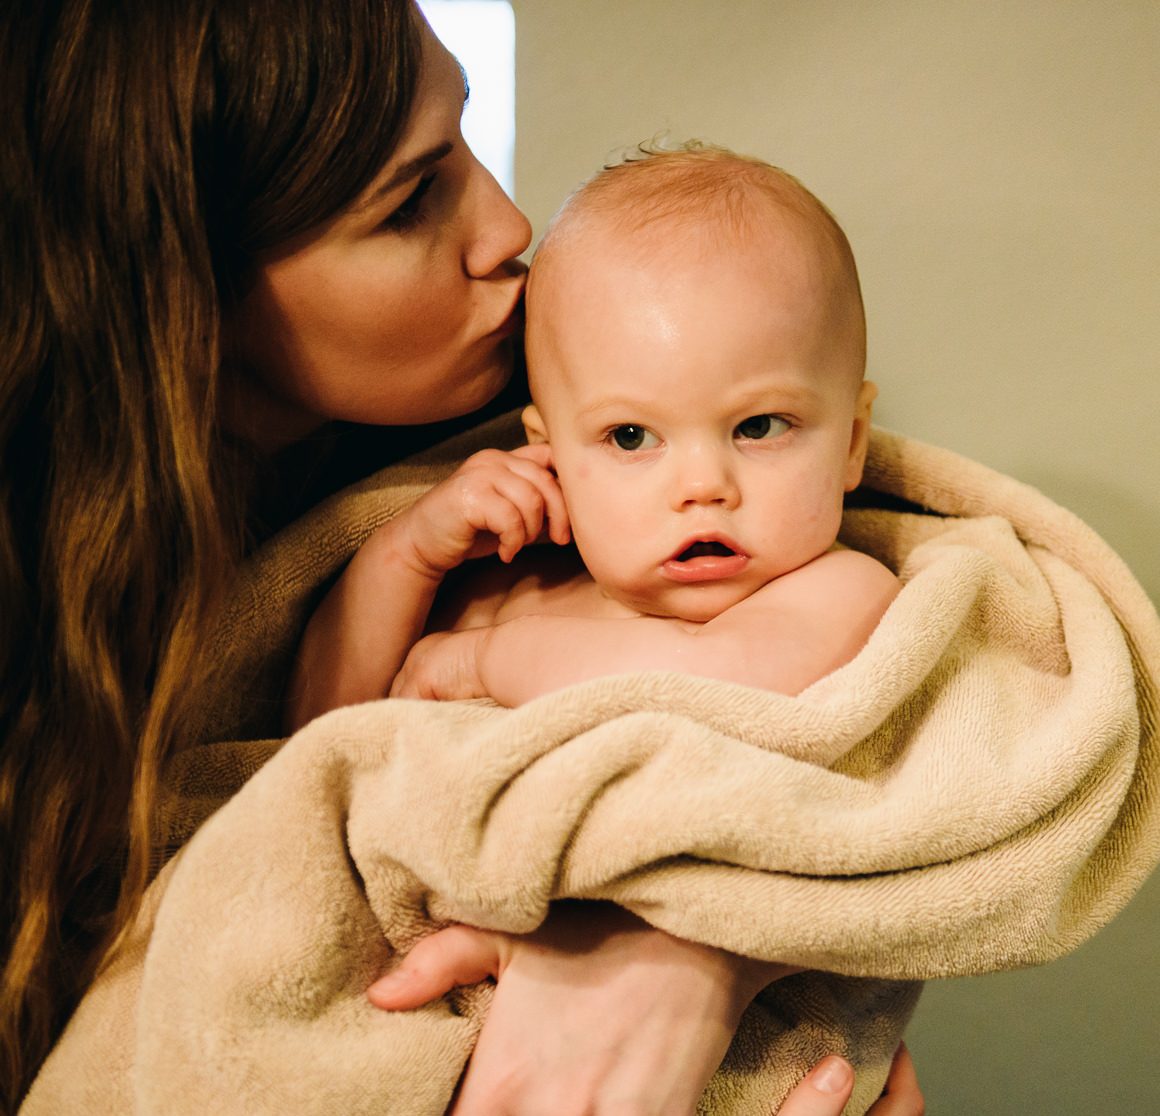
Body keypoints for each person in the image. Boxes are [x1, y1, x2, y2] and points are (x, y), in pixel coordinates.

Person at [0, 3, 919, 1116]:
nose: (507, 226)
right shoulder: (497, 521)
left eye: (758, 428)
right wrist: (398, 566)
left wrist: (693, 950)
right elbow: (320, 751)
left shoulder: (786, 564)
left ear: (846, 438)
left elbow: (953, 712)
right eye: (407, 200)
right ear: (184, 285)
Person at [284, 148, 897, 725]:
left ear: (850, 444)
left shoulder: (838, 593)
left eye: (757, 427)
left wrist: (482, 661)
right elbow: (317, 736)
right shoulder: (517, 583)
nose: (703, 485)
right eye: (630, 437)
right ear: (548, 452)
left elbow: (708, 680)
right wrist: (409, 556)